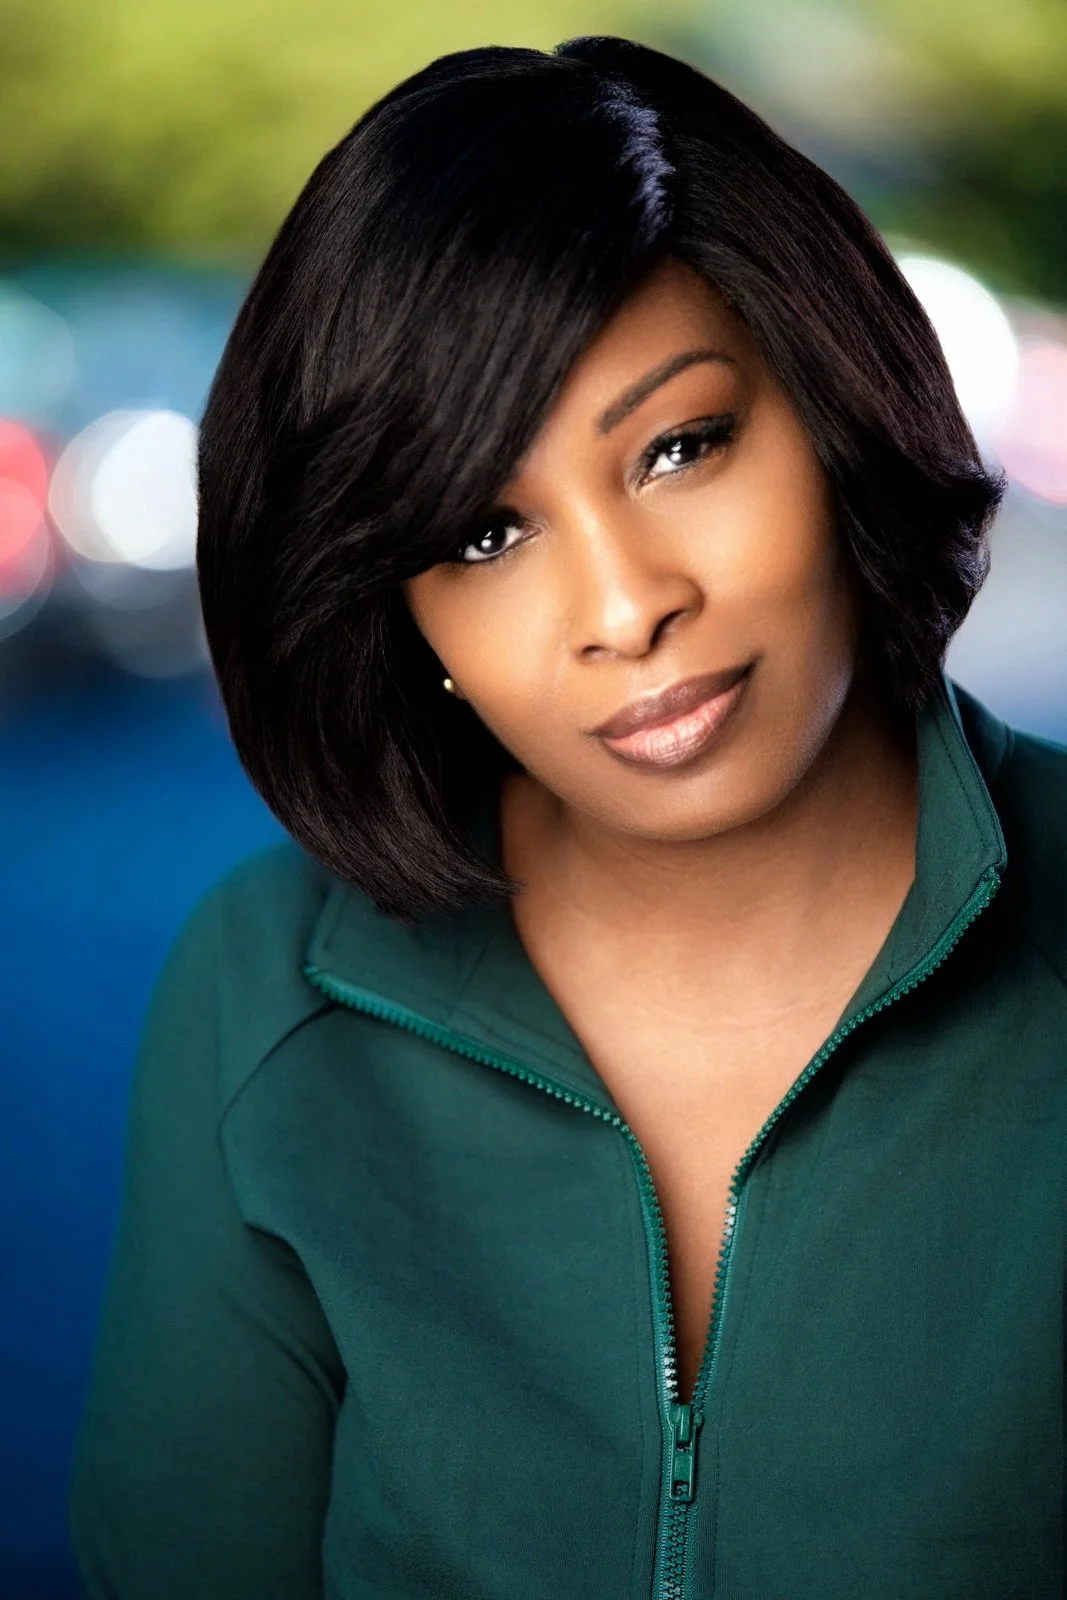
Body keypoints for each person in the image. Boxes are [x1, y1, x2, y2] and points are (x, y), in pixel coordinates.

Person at [69, 34, 1065, 1600]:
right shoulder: (260, 989)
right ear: (395, 606)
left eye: (679, 447)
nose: (621, 607)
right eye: (482, 533)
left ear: (830, 408)